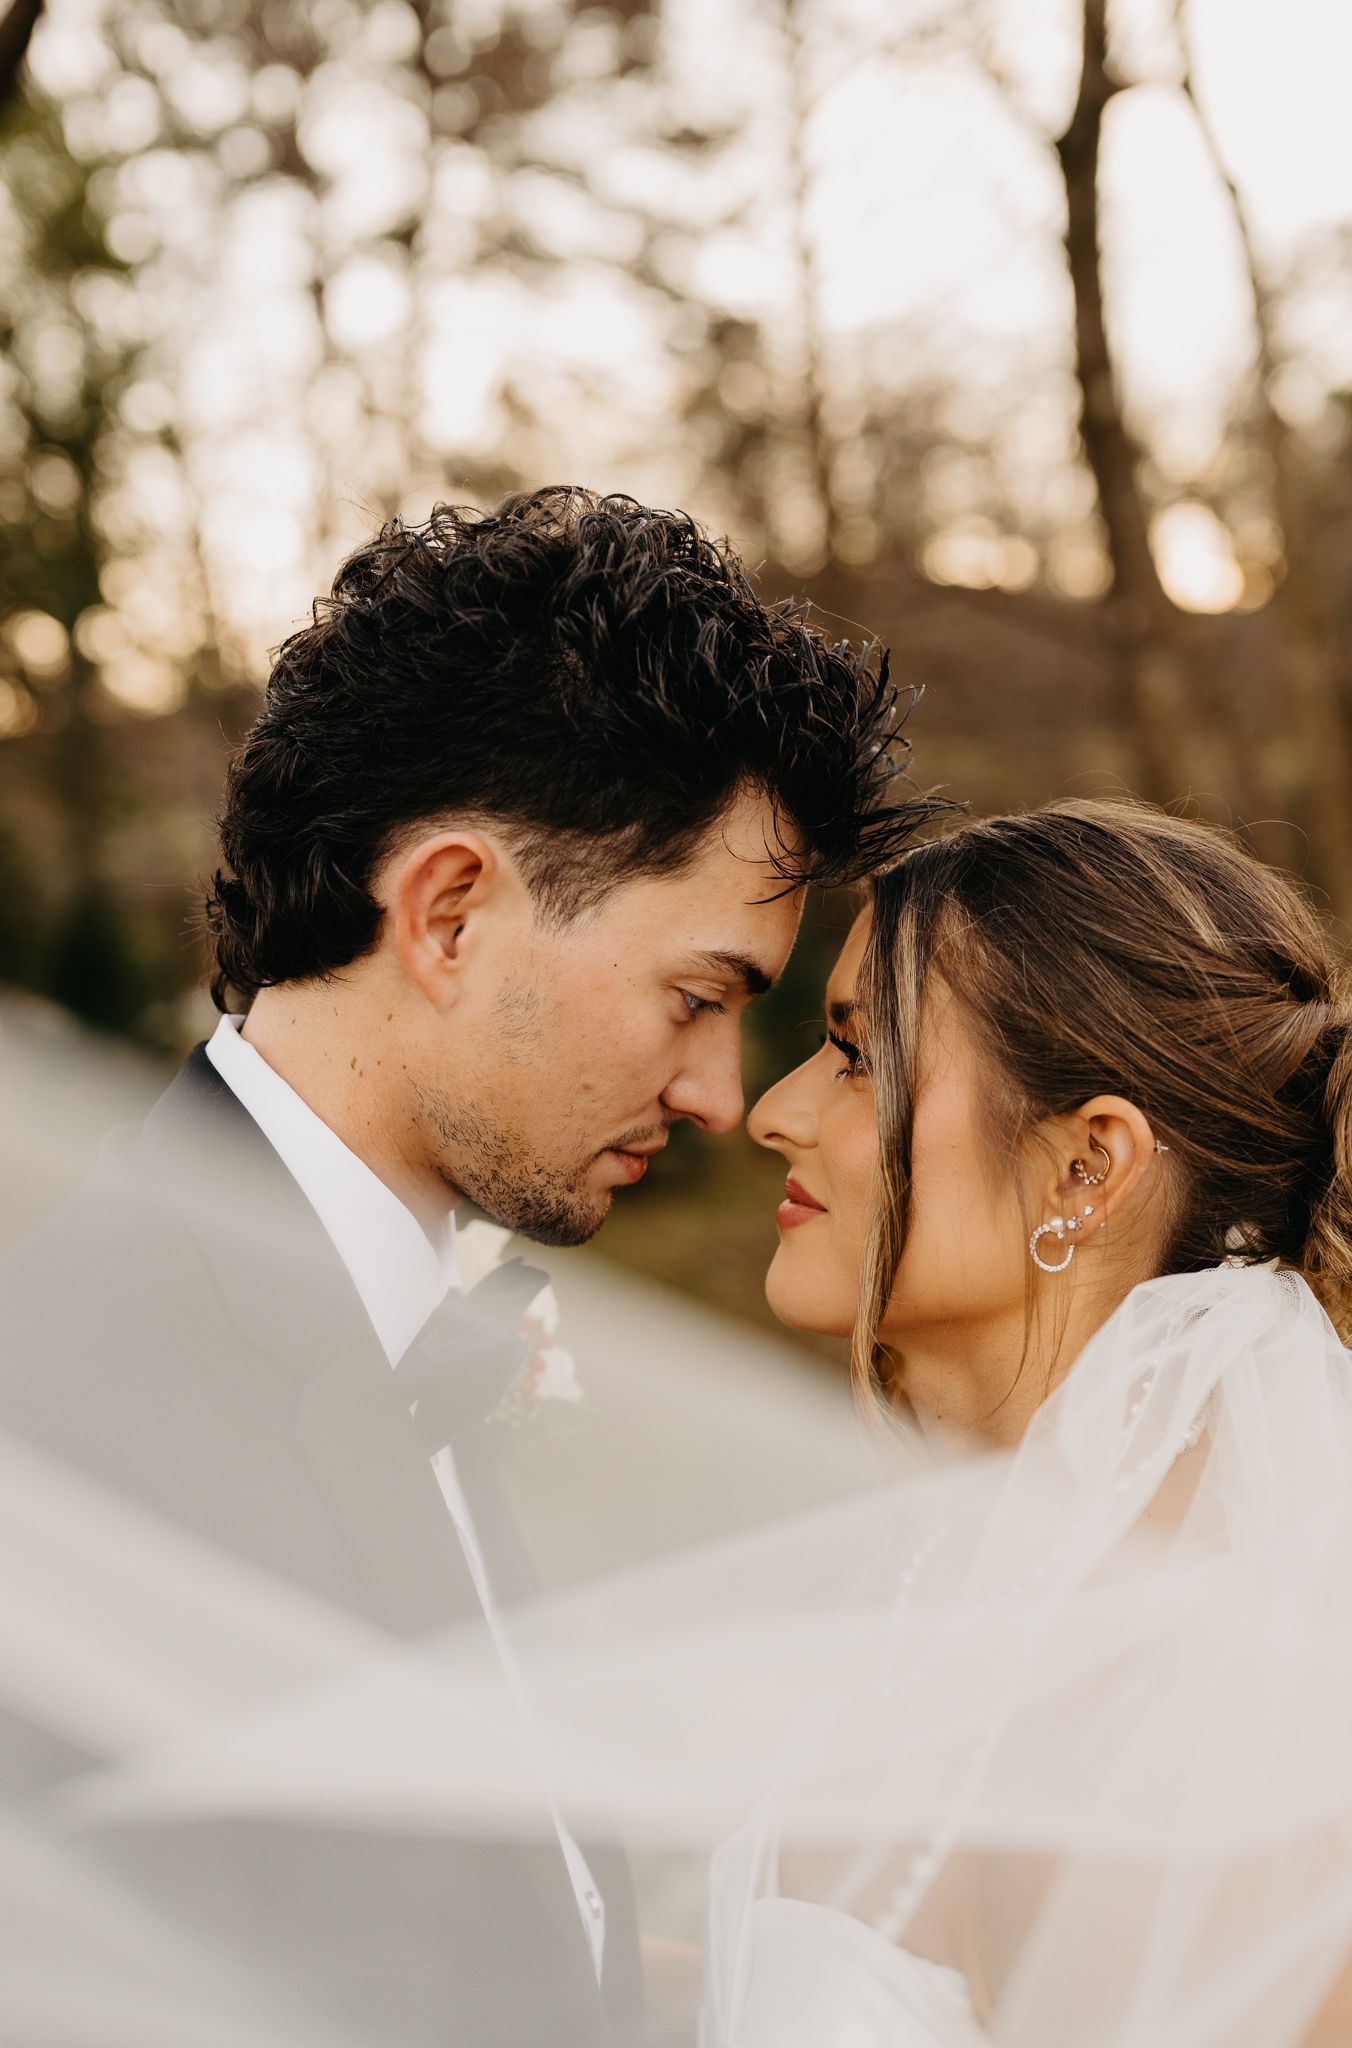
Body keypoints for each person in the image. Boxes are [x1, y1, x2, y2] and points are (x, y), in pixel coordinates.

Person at [0, 487, 937, 2048]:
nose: (719, 1095)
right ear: (447, 914)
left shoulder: (395, 1329)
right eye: (695, 995)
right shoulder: (73, 1398)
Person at [700, 798, 1352, 2048]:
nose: (772, 1110)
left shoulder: (1180, 1697)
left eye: (857, 1056)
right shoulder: (971, 1584)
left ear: (1087, 1165)